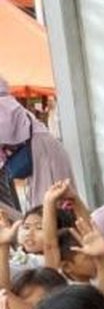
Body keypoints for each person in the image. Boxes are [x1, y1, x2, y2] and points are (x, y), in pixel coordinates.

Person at [0, 77, 75, 213]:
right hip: (39, 152)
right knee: (45, 202)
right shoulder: (8, 103)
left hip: (42, 152)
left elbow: (5, 132)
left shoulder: (4, 105)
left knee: (51, 203)